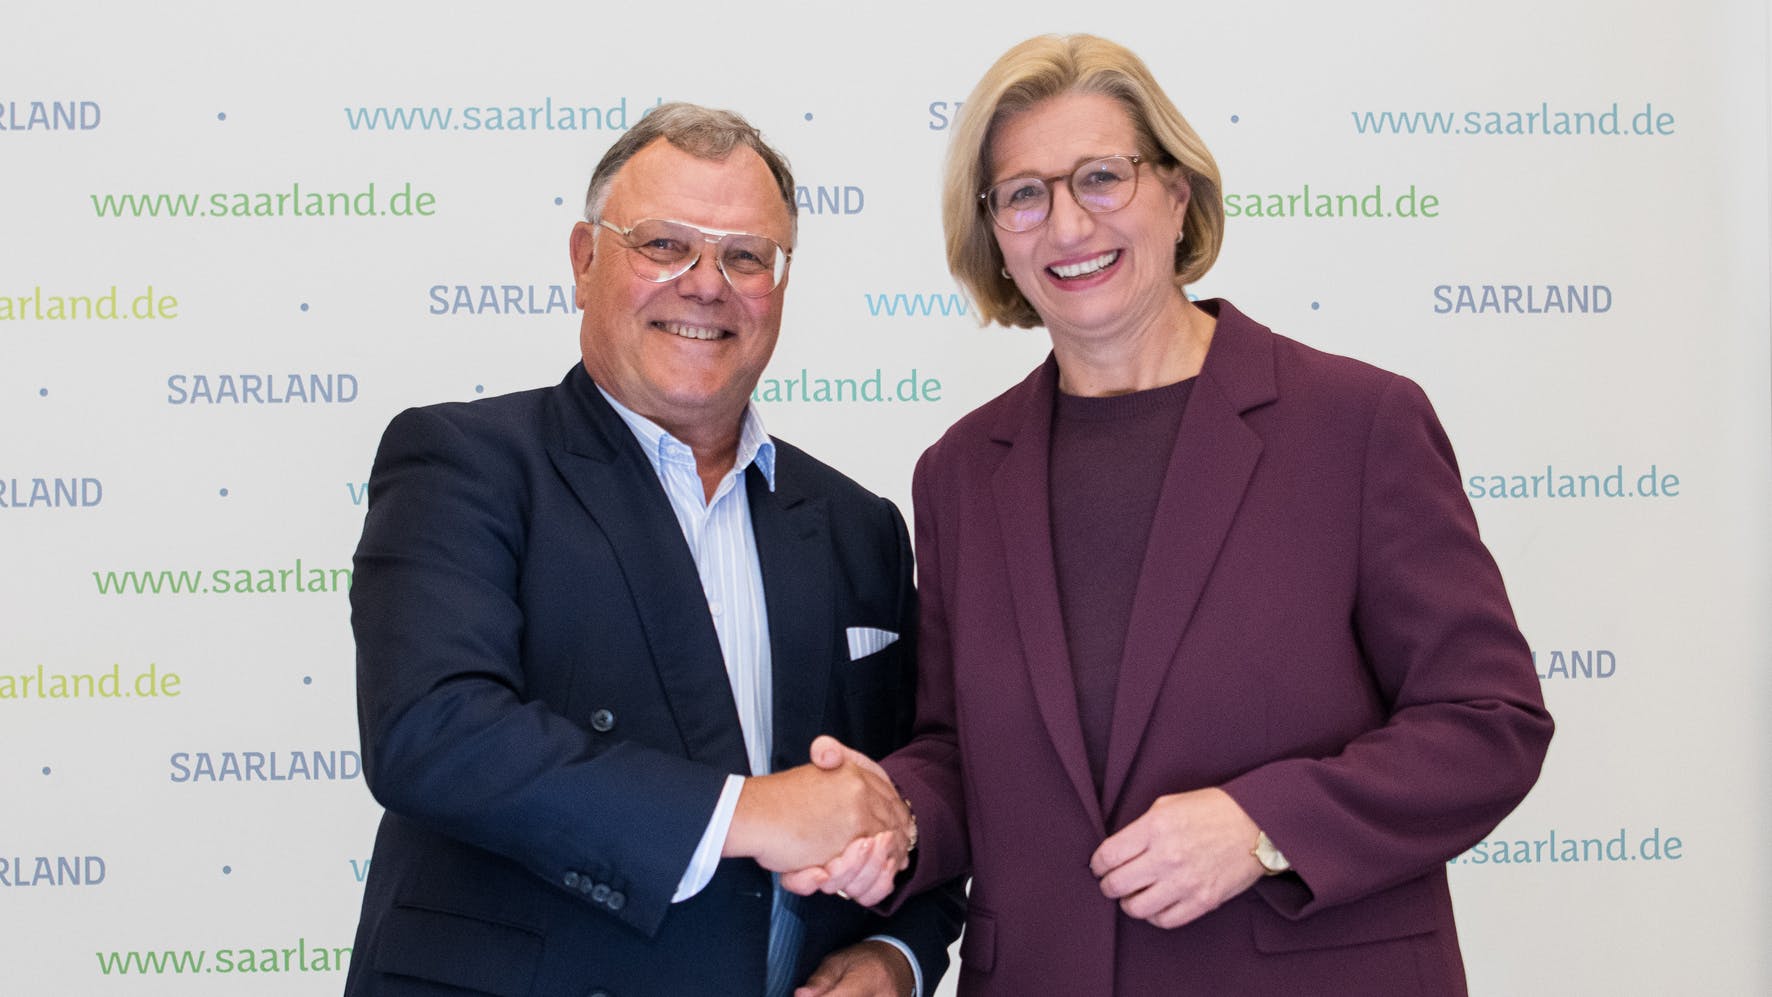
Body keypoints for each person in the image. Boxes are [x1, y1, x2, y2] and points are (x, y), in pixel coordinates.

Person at [792, 34, 1554, 995]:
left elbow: (1490, 722)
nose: (1066, 224)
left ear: (1177, 192)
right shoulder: (959, 472)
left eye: (1101, 177)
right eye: (1024, 194)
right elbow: (960, 752)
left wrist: (1263, 826)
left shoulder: (1358, 424)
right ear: (993, 233)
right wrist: (893, 817)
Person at [344, 102, 961, 997]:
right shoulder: (462, 462)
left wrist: (895, 957)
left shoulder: (859, 525)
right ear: (585, 261)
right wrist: (748, 811)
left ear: (781, 285)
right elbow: (432, 735)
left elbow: (913, 790)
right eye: (664, 244)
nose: (706, 283)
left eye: (746, 255)